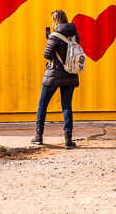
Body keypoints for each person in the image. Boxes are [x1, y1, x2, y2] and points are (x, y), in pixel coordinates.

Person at [31, 10, 79, 149]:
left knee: (43, 104)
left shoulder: (54, 35)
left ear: (55, 20)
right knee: (66, 106)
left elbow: (47, 54)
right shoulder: (74, 33)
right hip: (70, 73)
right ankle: (68, 141)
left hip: (54, 74)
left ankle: (38, 137)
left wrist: (50, 40)